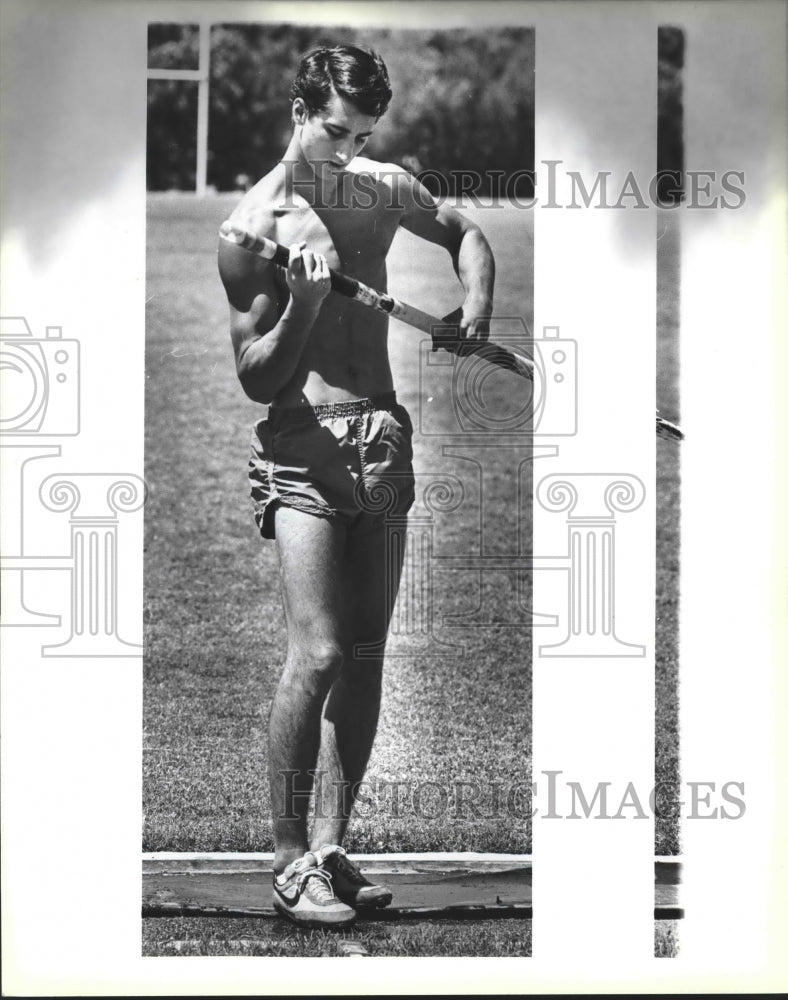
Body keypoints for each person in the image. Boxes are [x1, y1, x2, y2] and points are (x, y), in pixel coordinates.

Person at [218, 44, 495, 929]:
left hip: (382, 437)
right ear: (300, 110)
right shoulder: (253, 228)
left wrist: (475, 306)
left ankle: (332, 852)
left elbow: (466, 233)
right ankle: (287, 860)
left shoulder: (380, 187)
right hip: (303, 444)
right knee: (321, 654)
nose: (347, 149)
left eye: (363, 135)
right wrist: (303, 306)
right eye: (336, 130)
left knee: (368, 654)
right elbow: (257, 378)